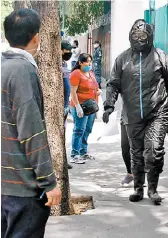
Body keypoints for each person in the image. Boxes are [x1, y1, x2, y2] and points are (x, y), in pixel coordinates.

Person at [103, 19, 168, 205]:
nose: (139, 39)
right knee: (136, 153)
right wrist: (109, 105)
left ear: (150, 37)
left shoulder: (160, 57)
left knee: (154, 151)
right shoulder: (122, 59)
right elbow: (113, 84)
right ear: (130, 37)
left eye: (143, 36)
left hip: (157, 112)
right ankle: (138, 188)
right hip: (132, 114)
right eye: (136, 36)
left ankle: (153, 189)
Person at [1, 8, 61, 238]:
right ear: (36, 37)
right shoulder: (23, 70)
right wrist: (49, 182)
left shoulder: (4, 67)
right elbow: (31, 131)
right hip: (22, 188)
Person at [69, 53, 100, 164]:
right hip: (80, 106)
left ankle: (83, 152)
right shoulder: (76, 74)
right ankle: (74, 154)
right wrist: (77, 106)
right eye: (87, 62)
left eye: (90, 62)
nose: (89, 64)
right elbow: (73, 91)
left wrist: (98, 91)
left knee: (87, 129)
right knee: (79, 130)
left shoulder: (90, 73)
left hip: (91, 107)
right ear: (80, 63)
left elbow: (95, 86)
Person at [61, 40, 73, 170]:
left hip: (65, 104)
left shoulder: (64, 63)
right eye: (66, 51)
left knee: (63, 134)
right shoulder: (55, 63)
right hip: (61, 104)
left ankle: (64, 160)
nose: (69, 53)